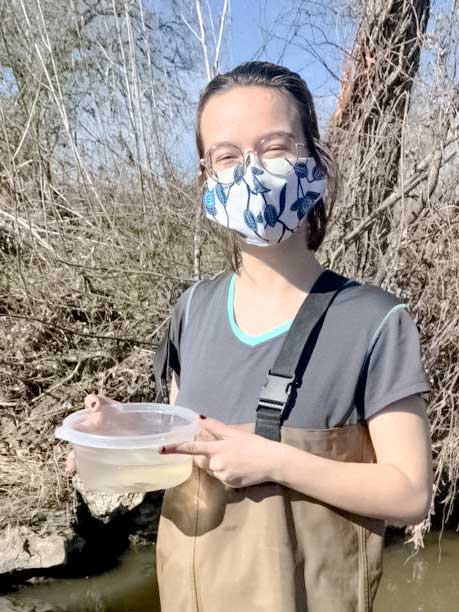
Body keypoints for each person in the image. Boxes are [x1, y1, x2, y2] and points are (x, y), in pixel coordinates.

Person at [67, 62, 433, 612]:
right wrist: (121, 434)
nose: (251, 171)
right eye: (228, 156)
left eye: (276, 146)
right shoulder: (193, 310)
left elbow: (409, 493)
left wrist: (274, 461)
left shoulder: (375, 320)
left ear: (313, 161)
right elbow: (184, 444)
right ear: (206, 180)